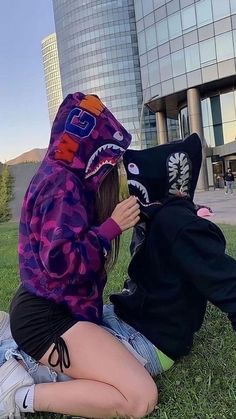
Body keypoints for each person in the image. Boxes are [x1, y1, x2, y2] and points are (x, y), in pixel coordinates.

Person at [1, 93, 158, 418]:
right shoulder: (63, 185)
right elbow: (60, 262)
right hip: (47, 319)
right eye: (109, 157)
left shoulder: (61, 176)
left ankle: (21, 361)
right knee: (140, 398)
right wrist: (110, 228)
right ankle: (19, 396)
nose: (111, 168)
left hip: (48, 310)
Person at [108, 133, 236, 369]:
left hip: (148, 338)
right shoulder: (155, 218)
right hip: (131, 318)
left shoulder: (176, 223)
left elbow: (229, 285)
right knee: (48, 322)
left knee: (46, 344)